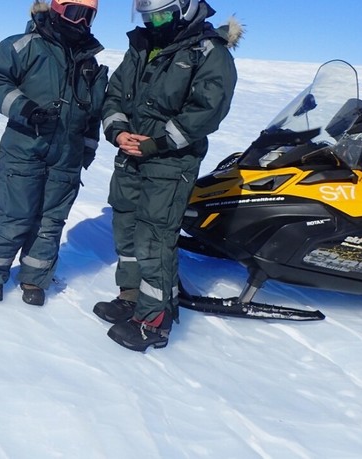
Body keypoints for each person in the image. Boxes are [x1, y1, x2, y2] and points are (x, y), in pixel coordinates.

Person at [94, 0, 241, 351]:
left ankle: (153, 322)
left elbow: (206, 111)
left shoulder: (209, 53)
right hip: (131, 156)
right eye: (148, 17)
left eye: (161, 14)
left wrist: (157, 143)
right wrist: (118, 131)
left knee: (154, 238)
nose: (154, 22)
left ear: (186, 9)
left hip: (171, 163)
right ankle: (131, 297)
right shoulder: (142, 47)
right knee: (126, 230)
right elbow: (115, 94)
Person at [0, 0, 108, 306]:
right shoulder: (23, 46)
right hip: (24, 149)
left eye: (88, 16)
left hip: (66, 157)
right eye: (75, 12)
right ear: (58, 9)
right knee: (15, 216)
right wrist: (25, 108)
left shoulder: (88, 61)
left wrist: (86, 151)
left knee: (50, 223)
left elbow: (93, 113)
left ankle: (35, 279)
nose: (81, 22)